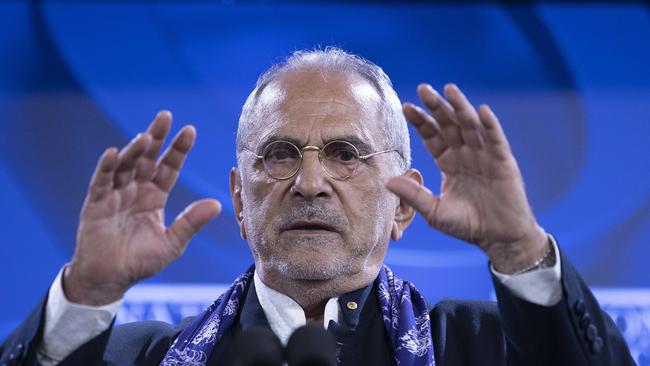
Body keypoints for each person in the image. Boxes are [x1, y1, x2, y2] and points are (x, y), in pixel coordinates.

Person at [0, 48, 634, 366]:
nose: (308, 182)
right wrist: (88, 291)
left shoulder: (485, 347)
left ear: (404, 203)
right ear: (239, 199)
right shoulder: (132, 358)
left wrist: (520, 251)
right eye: (278, 153)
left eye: (345, 153)